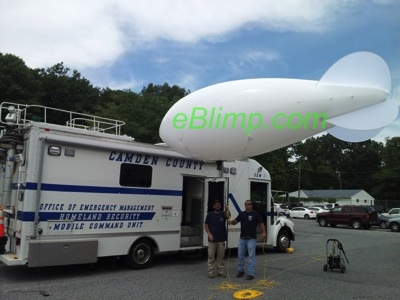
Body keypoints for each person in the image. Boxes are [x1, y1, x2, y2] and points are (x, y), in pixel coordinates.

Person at [228, 200, 266, 280]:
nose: (247, 205)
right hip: (242, 238)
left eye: (249, 204)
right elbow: (235, 221)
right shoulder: (242, 214)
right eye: (246, 204)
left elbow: (261, 223)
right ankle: (241, 271)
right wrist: (230, 221)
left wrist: (263, 232)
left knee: (251, 256)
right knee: (240, 255)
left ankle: (250, 273)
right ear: (244, 205)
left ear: (252, 205)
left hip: (252, 238)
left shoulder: (255, 214)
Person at [204, 200, 230, 278]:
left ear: (220, 206)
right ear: (213, 206)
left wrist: (227, 209)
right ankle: (211, 271)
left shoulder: (223, 214)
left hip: (221, 239)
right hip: (212, 239)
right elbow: (206, 225)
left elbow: (229, 216)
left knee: (220, 256)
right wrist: (209, 234)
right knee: (211, 256)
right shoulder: (210, 214)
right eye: (216, 205)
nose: (217, 206)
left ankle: (220, 271)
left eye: (219, 205)